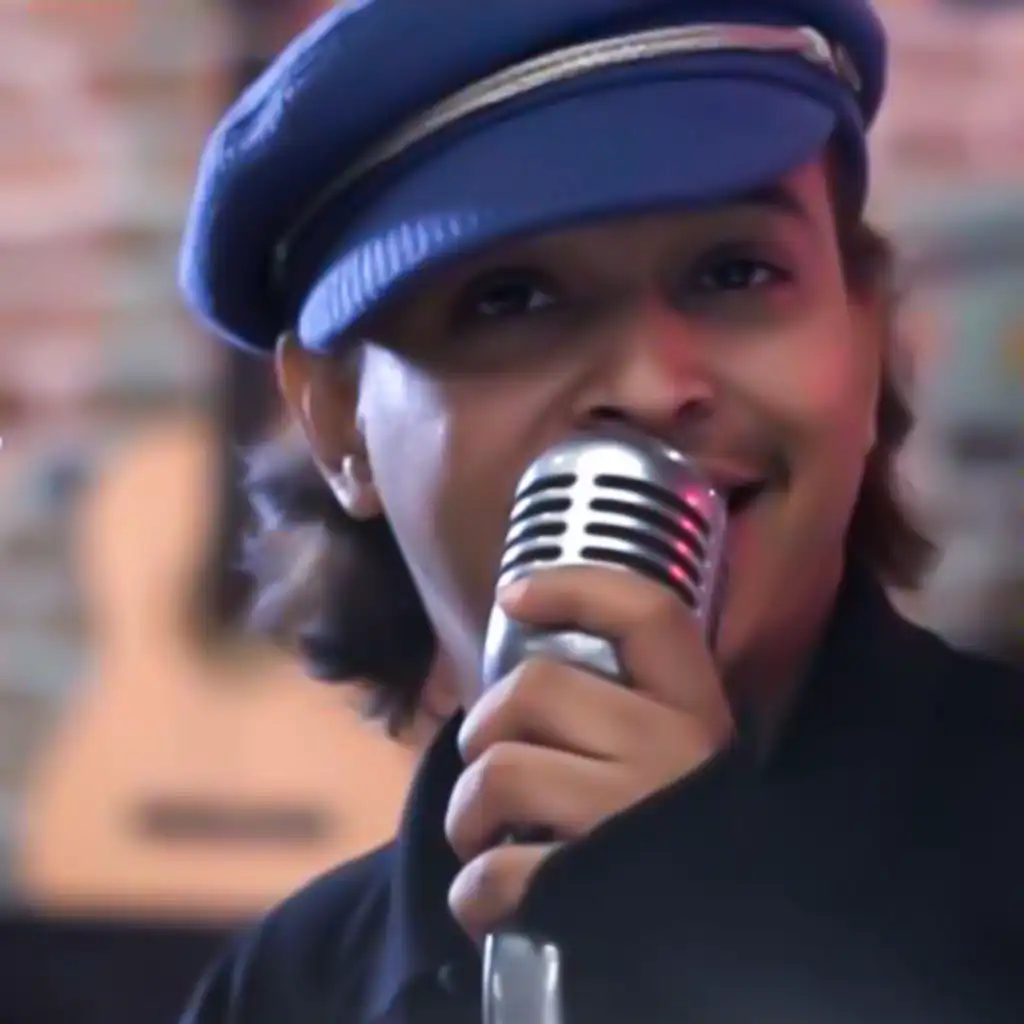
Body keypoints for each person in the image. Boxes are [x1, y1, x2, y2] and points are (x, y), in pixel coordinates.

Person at [177, 1, 1024, 1021]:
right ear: (338, 417)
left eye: (735, 271)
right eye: (511, 297)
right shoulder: (285, 989)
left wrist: (720, 949)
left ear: (869, 333)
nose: (651, 385)